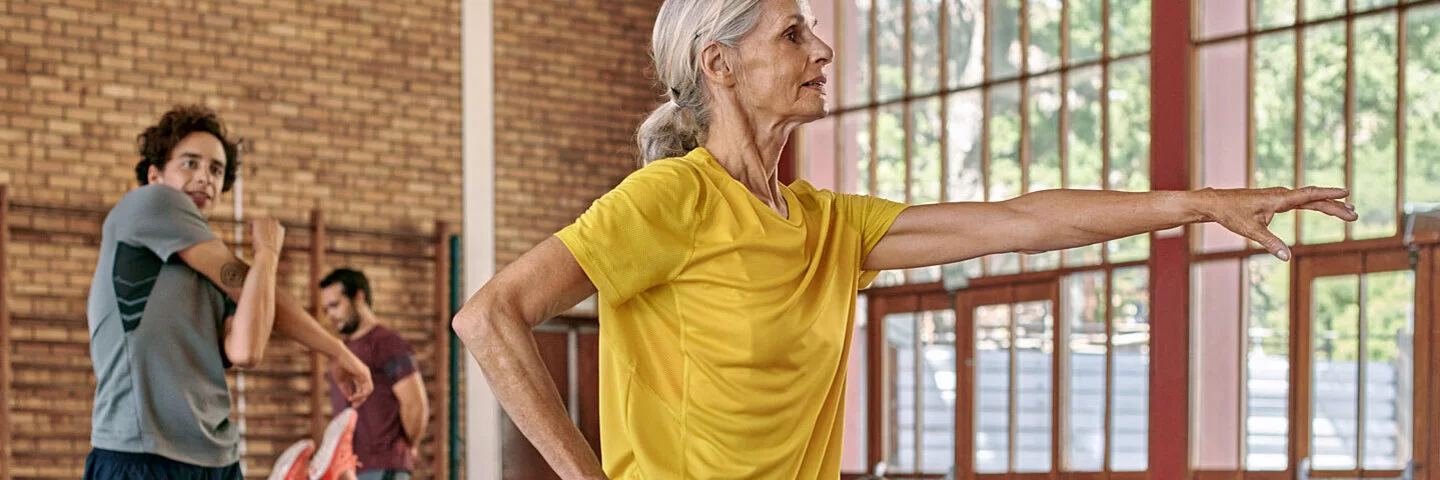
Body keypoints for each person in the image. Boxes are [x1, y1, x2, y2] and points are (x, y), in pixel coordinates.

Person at [450, 0, 1359, 478]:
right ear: (717, 64)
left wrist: (1201, 203)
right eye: (794, 34)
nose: (822, 52)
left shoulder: (826, 225)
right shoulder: (672, 199)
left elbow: (1023, 220)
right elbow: (490, 317)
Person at [85, 105, 374, 480]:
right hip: (142, 454)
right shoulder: (148, 202)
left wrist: (336, 348)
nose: (204, 177)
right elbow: (243, 278)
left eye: (216, 170)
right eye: (190, 163)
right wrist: (268, 250)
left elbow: (247, 350)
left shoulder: (208, 272)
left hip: (216, 460)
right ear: (155, 175)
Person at [318, 268, 430, 480]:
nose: (330, 314)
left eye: (335, 305)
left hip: (383, 467)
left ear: (358, 297)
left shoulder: (387, 343)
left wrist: (408, 447)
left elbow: (415, 405)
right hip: (352, 469)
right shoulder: (343, 350)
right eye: (326, 309)